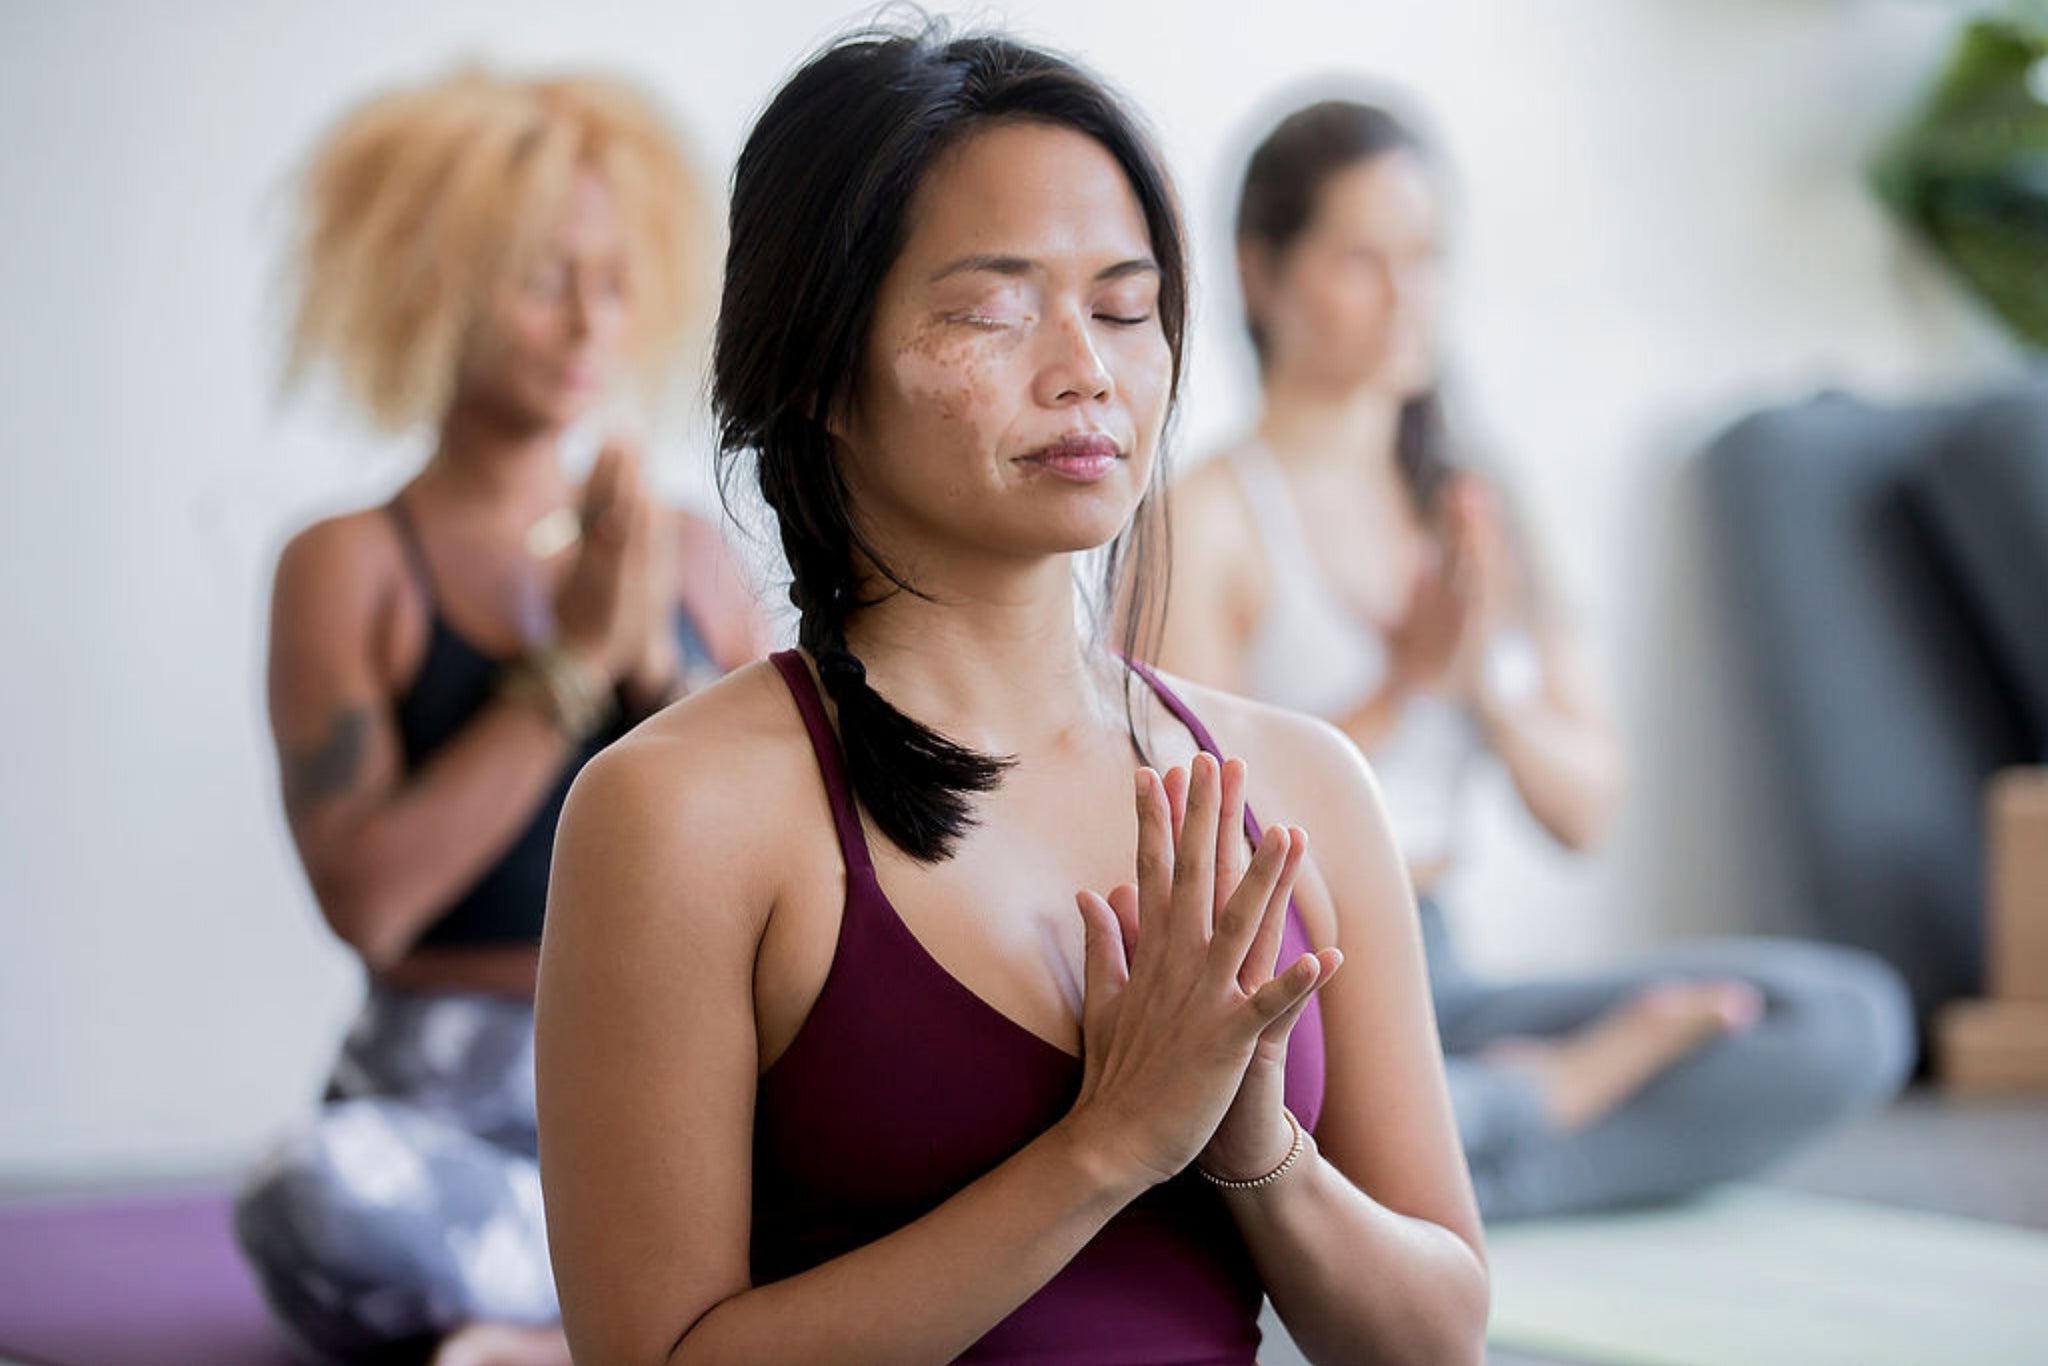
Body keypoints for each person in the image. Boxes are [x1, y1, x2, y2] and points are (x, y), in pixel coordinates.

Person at [535, 28, 1489, 1366]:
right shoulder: (680, 812)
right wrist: (1105, 1145)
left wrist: (1259, 1152)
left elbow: (1438, 1340)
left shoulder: (1306, 782)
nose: (1085, 370)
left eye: (1122, 307)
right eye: (992, 309)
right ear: (815, 367)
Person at [1151, 97, 1914, 1221]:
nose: (1407, 296)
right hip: (1297, 983)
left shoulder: (1475, 502)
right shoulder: (1204, 517)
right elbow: (1190, 840)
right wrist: (1401, 681)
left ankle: (1439, 1159)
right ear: (1260, 272)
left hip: (1441, 972)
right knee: (1232, 1105)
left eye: (1425, 258)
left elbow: (1583, 809)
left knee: (1845, 1017)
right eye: (1363, 259)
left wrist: (1477, 692)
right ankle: (1513, 1114)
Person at [234, 65, 766, 1366]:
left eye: (614, 277)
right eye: (541, 279)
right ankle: (625, 1299)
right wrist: (570, 663)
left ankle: (565, 1312)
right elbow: (373, 904)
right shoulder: (348, 563)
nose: (591, 321)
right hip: (438, 1113)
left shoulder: (689, 555)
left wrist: (654, 668)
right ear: (434, 288)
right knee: (304, 1194)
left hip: (677, 1093)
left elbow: (781, 851)